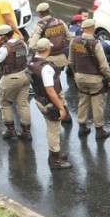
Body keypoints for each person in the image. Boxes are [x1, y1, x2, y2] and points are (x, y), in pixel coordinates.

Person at [29, 38, 72, 169]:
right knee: (54, 130)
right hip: (50, 102)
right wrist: (61, 107)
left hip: (40, 100)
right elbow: (50, 90)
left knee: (51, 127)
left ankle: (54, 155)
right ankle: (55, 161)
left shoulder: (31, 62)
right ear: (48, 49)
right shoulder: (46, 68)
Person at [70, 18, 110, 140]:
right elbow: (104, 65)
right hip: (94, 79)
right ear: (93, 29)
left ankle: (82, 126)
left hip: (79, 77)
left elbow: (71, 61)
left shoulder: (74, 42)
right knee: (97, 104)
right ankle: (99, 130)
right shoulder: (96, 44)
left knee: (83, 101)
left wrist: (76, 74)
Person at [29, 2, 72, 121]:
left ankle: (62, 111)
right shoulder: (60, 22)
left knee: (52, 87)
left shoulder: (40, 25)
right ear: (49, 10)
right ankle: (64, 110)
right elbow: (69, 38)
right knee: (58, 84)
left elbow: (32, 44)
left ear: (39, 14)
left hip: (48, 60)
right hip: (61, 58)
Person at [0, 24, 32, 140]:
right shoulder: (22, 43)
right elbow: (26, 54)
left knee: (4, 103)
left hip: (10, 77)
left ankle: (11, 131)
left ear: (3, 36)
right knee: (23, 103)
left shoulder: (5, 48)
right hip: (24, 74)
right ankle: (26, 132)